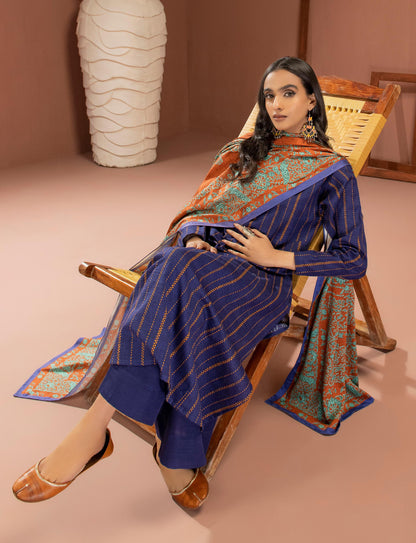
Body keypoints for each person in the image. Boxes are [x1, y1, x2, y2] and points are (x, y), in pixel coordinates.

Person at [12, 57, 367, 510]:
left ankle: (92, 432)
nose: (276, 104)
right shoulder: (242, 151)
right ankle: (174, 454)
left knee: (172, 272)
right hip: (201, 265)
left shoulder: (332, 172)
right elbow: (198, 211)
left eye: (289, 93)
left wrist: (275, 257)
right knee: (179, 266)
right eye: (269, 95)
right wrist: (196, 237)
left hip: (260, 283)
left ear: (312, 101)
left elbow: (354, 257)